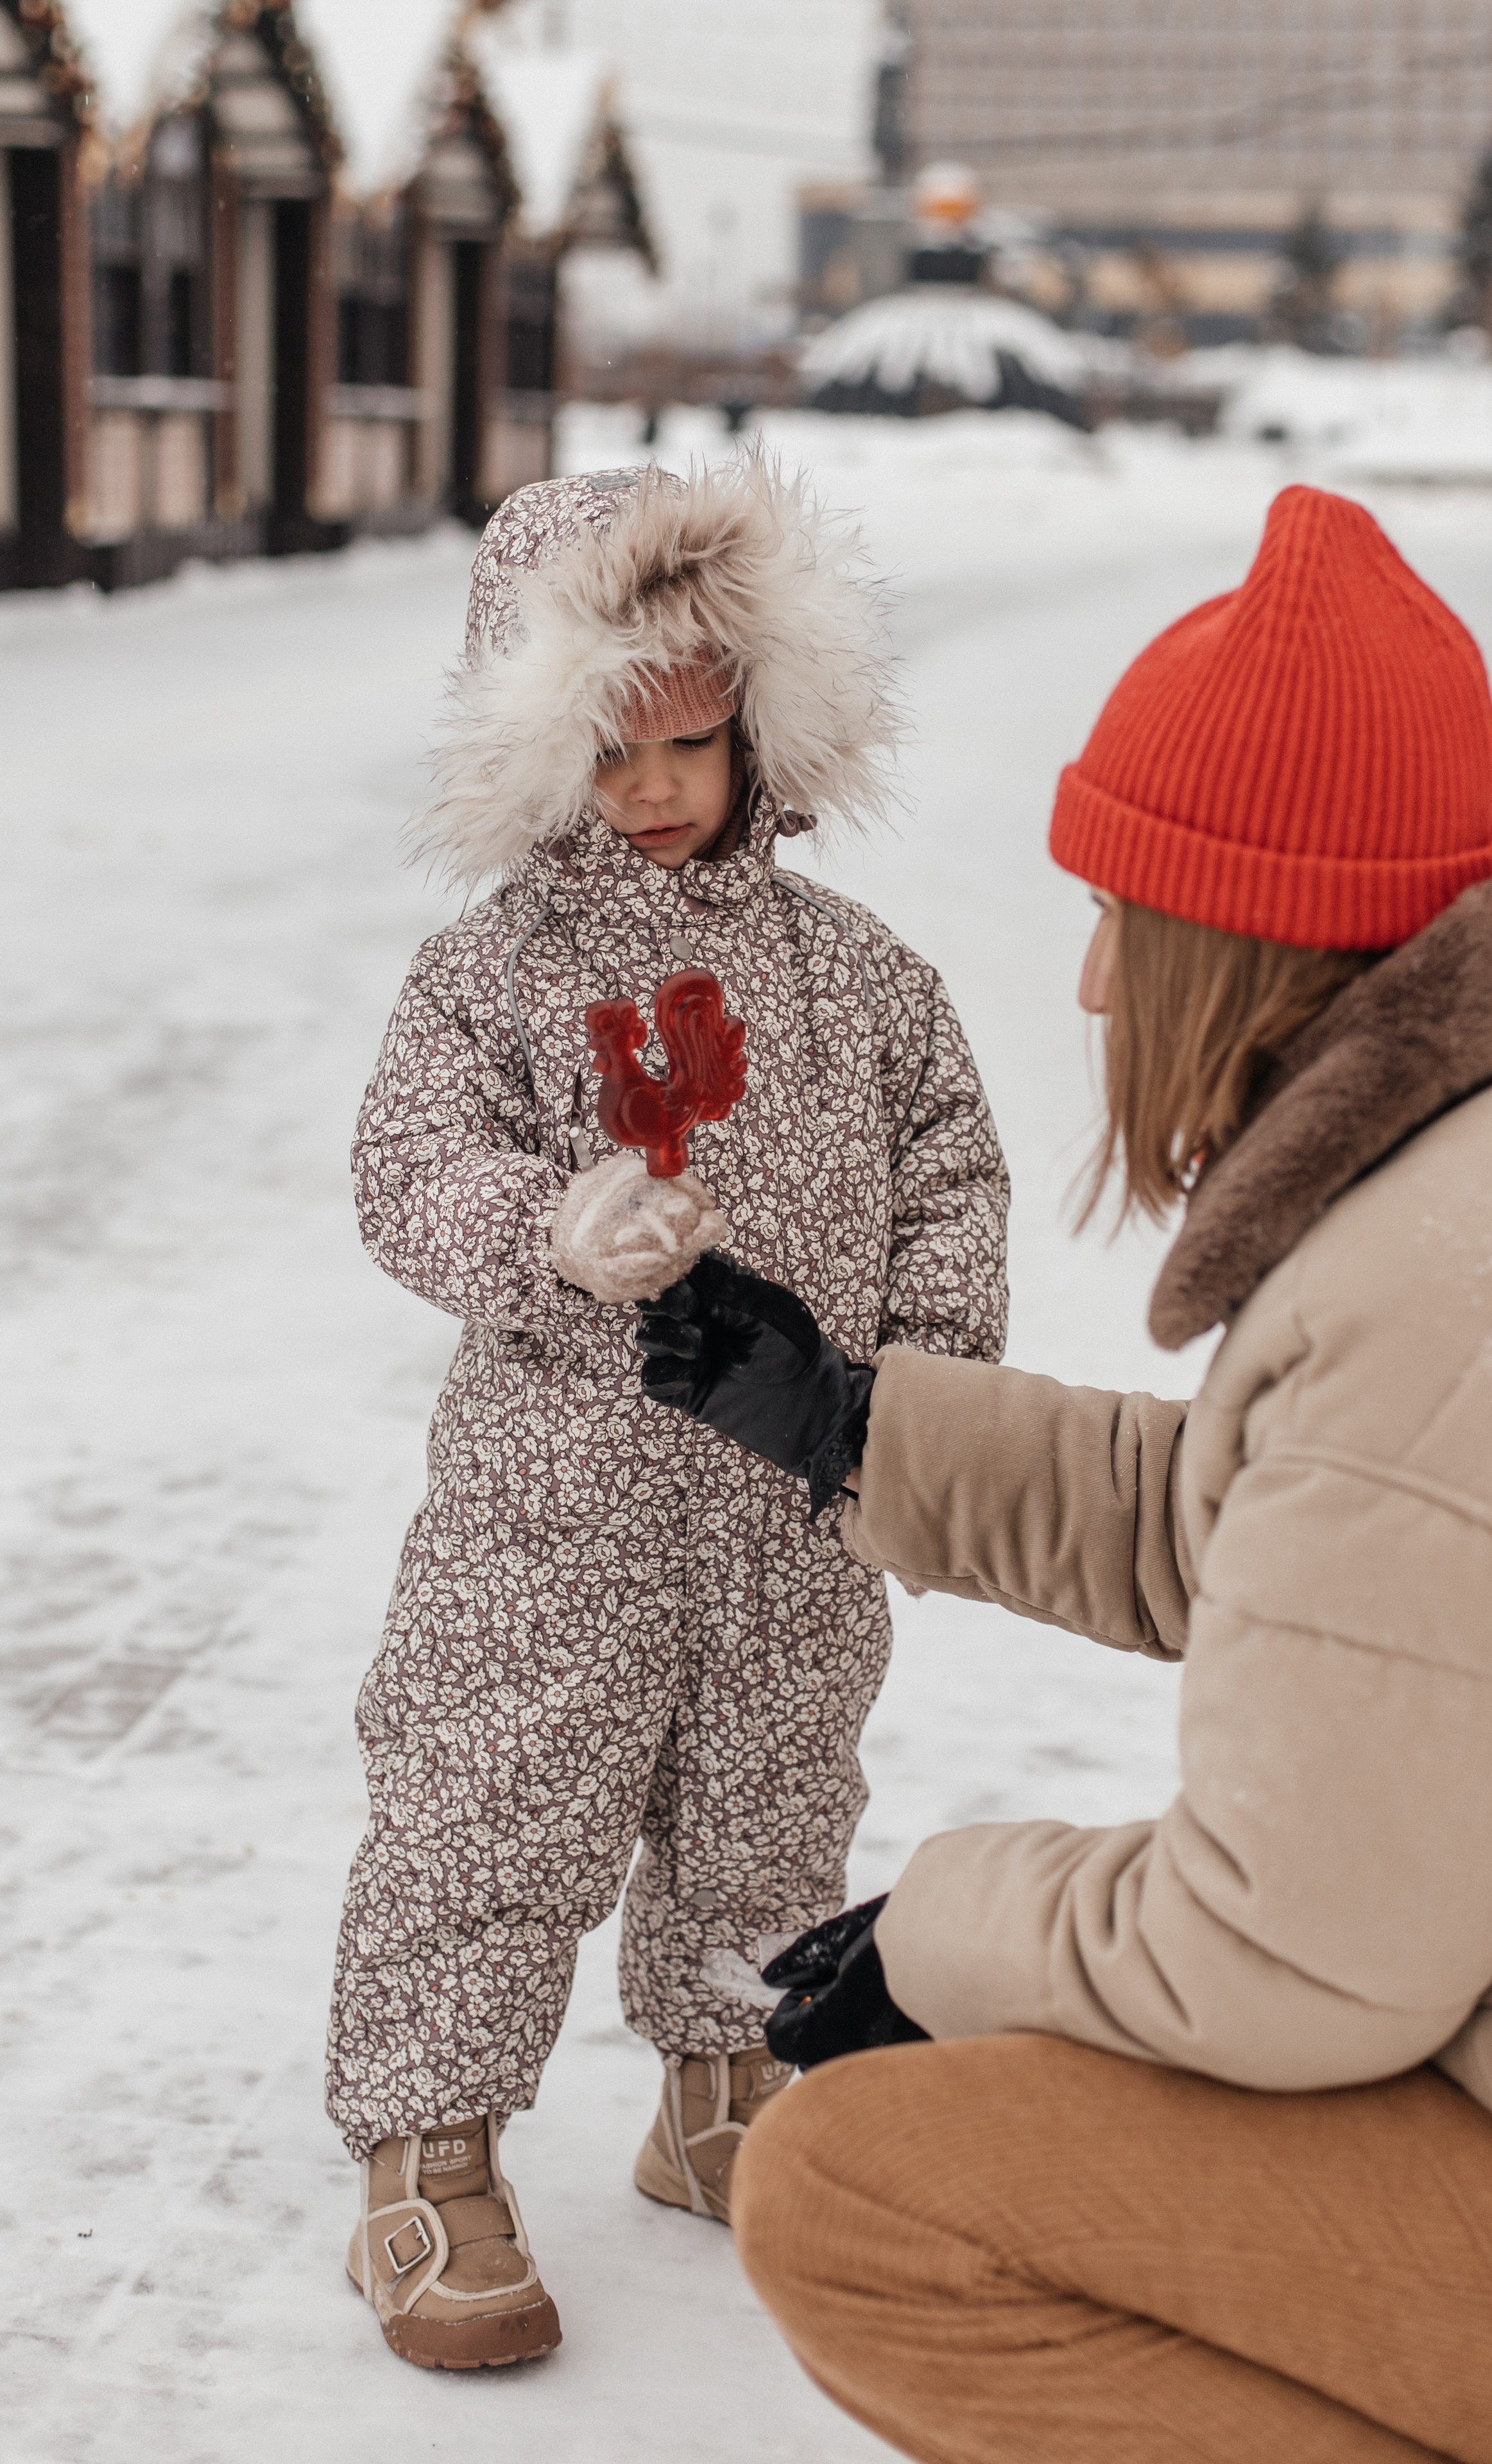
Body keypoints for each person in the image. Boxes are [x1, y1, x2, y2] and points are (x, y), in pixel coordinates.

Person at [637, 484, 1492, 2461]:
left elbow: (1298, 1956)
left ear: (1234, 939)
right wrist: (856, 1422)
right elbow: (1304, 1534)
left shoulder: (1434, 1328)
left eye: (1116, 916)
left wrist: (938, 1924)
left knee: (865, 2190)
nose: (1091, 986)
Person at [326, 457, 1009, 2370]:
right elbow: (405, 1167)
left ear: (758, 732)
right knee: (487, 1816)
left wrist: (914, 1385)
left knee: (775, 1818)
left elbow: (953, 1168)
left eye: (694, 747)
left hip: (794, 1507)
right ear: (535, 750)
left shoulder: (860, 981)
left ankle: (727, 2088)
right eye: (610, 755)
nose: (653, 793)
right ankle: (427, 2146)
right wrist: (548, 1229)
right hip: (552, 1519)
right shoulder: (489, 982)